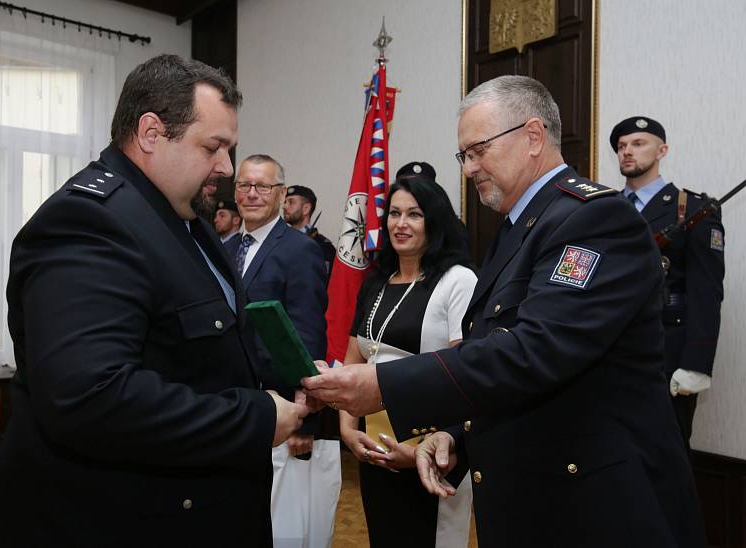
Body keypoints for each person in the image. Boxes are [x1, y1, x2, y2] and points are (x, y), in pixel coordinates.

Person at [304, 75, 706, 547]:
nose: (469, 168)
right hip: (535, 498)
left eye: (478, 151)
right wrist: (456, 435)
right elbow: (492, 352)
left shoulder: (594, 218)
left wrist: (384, 386)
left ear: (532, 137)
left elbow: (537, 351)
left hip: (596, 505)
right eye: (464, 156)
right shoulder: (521, 227)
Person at [0, 54, 310, 548]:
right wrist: (254, 418)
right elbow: (90, 396)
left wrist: (292, 374)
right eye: (213, 148)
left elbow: (204, 347)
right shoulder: (89, 222)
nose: (226, 168)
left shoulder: (183, 219)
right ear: (151, 133)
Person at [339, 164, 477, 547]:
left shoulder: (458, 280)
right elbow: (354, 361)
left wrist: (424, 448)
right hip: (374, 448)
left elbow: (468, 374)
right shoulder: (376, 282)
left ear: (434, 222)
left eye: (414, 214)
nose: (402, 223)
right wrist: (348, 429)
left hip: (432, 450)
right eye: (395, 214)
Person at [225, 154, 339, 548]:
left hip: (281, 408)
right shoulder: (221, 249)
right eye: (244, 185)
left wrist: (305, 419)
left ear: (280, 194)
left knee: (283, 529)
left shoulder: (299, 250)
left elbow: (307, 334)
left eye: (263, 187)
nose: (252, 194)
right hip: (233, 406)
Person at [611, 116, 724, 451]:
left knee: (666, 458)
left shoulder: (691, 209)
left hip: (666, 354)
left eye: (638, 143)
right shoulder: (604, 209)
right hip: (610, 351)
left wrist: (695, 365)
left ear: (662, 150)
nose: (626, 152)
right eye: (620, 146)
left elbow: (706, 292)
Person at [283, 184, 336, 277]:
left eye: (291, 202)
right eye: (285, 202)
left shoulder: (323, 247)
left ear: (306, 209)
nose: (284, 206)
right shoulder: (277, 241)